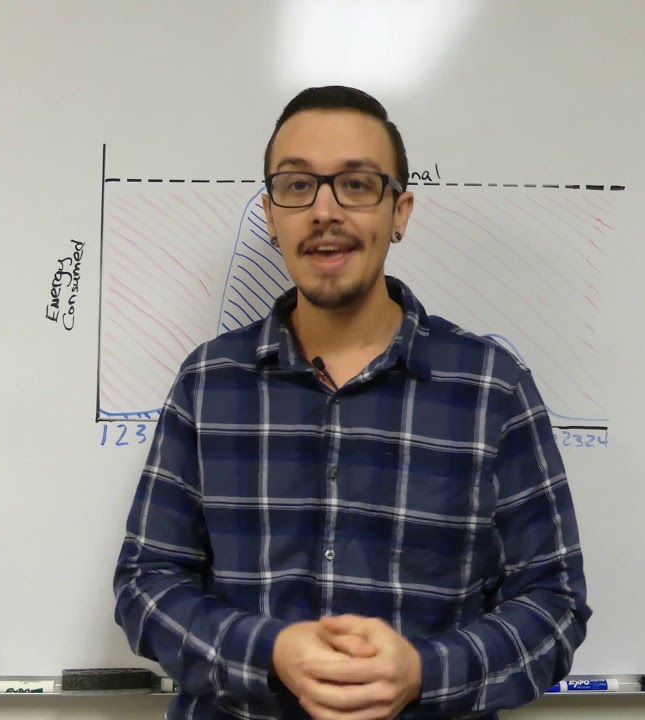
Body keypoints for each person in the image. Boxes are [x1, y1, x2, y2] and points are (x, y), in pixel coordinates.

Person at [114, 85, 590, 720]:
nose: (324, 211)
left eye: (357, 185)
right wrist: (270, 652)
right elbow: (146, 584)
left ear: (400, 212)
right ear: (271, 213)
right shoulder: (209, 382)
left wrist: (423, 672)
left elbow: (555, 604)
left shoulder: (491, 389)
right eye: (297, 185)